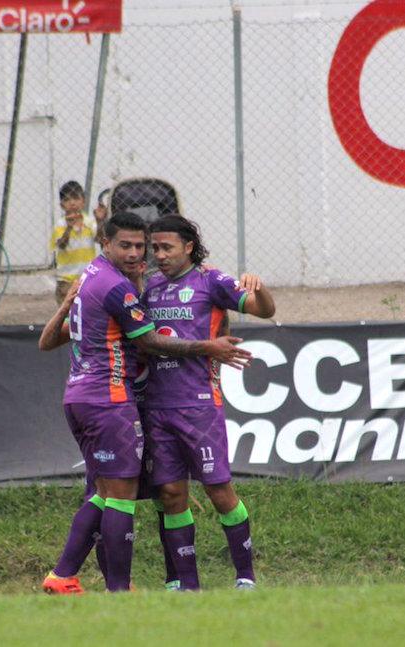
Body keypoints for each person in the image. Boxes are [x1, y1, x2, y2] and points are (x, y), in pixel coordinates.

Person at [37, 212, 251, 593]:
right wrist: (209, 347)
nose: (136, 253)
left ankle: (77, 576)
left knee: (104, 493)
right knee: (120, 496)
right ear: (105, 242)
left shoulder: (91, 277)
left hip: (80, 397)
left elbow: (46, 342)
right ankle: (110, 587)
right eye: (127, 245)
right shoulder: (118, 289)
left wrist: (67, 303)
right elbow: (149, 341)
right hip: (109, 400)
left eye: (141, 246)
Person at [142, 216, 275, 591]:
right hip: (157, 406)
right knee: (171, 494)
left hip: (200, 406)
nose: (160, 255)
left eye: (167, 247)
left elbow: (265, 310)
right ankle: (189, 586)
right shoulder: (149, 286)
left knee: (219, 492)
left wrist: (260, 288)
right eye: (155, 248)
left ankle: (245, 576)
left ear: (188, 247)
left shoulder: (210, 281)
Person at [50, 180, 98, 304]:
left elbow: (99, 239)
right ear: (61, 205)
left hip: (87, 278)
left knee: (88, 309)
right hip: (66, 279)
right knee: (67, 310)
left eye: (76, 198)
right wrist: (69, 228)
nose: (72, 203)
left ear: (83, 201)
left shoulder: (90, 222)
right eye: (67, 200)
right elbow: (61, 244)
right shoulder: (60, 224)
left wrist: (100, 221)